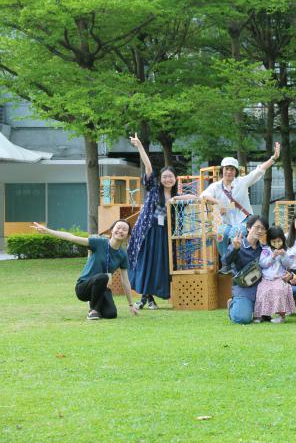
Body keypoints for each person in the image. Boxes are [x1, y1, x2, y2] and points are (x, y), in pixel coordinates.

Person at [127, 134, 195, 310]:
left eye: (170, 177)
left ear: (175, 179)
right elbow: (149, 167)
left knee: (159, 264)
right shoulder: (153, 189)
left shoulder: (176, 195)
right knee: (146, 263)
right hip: (149, 231)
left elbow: (194, 197)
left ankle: (149, 298)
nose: (167, 179)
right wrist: (140, 146)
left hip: (165, 232)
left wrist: (180, 198)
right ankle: (146, 298)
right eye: (164, 177)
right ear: (160, 178)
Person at [31, 220, 138, 320]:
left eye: (124, 229)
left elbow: (125, 281)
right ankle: (93, 310)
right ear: (112, 230)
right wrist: (47, 231)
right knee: (103, 277)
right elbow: (72, 238)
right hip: (84, 287)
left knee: (111, 314)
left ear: (128, 235)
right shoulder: (99, 243)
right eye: (118, 227)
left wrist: (131, 305)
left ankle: (96, 304)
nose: (120, 231)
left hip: (101, 288)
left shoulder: (122, 255)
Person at [201, 143, 280, 274]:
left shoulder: (242, 182)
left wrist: (273, 158)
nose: (229, 171)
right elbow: (204, 196)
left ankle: (236, 263)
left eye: (232, 169)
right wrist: (218, 202)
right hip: (227, 222)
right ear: (222, 170)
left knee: (235, 233)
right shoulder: (215, 186)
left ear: (236, 171)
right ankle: (226, 262)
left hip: (245, 220)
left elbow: (259, 170)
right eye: (227, 168)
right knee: (220, 233)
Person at [223, 215, 269, 324]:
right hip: (243, 288)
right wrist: (235, 249)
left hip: (262, 288)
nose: (260, 231)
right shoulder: (238, 244)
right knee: (242, 318)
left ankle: (254, 308)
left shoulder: (264, 248)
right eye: (257, 227)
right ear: (248, 228)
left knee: (293, 291)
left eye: (263, 228)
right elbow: (225, 261)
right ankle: (233, 305)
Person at [254, 226, 296, 323]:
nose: (277, 244)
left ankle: (281, 316)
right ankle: (261, 315)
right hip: (266, 279)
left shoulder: (285, 251)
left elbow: (288, 264)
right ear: (269, 241)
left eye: (279, 241)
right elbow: (263, 264)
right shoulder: (266, 251)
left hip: (279, 278)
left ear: (283, 240)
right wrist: (272, 257)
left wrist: (283, 255)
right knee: (262, 291)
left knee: (279, 290)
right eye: (274, 242)